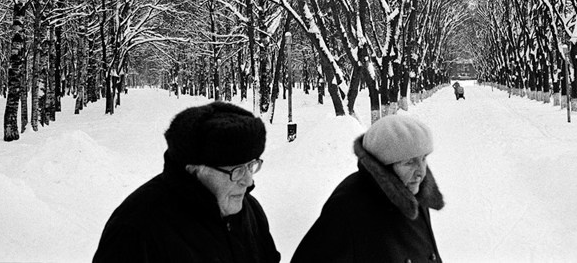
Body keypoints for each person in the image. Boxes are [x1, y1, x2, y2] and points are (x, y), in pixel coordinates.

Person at [93, 101, 280, 263]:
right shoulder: (136, 230)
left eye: (251, 166)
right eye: (237, 171)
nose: (248, 181)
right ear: (194, 170)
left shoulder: (250, 210)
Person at [291, 114, 444, 263]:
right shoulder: (348, 206)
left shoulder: (414, 196)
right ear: (385, 166)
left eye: (423, 158)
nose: (421, 172)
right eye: (409, 163)